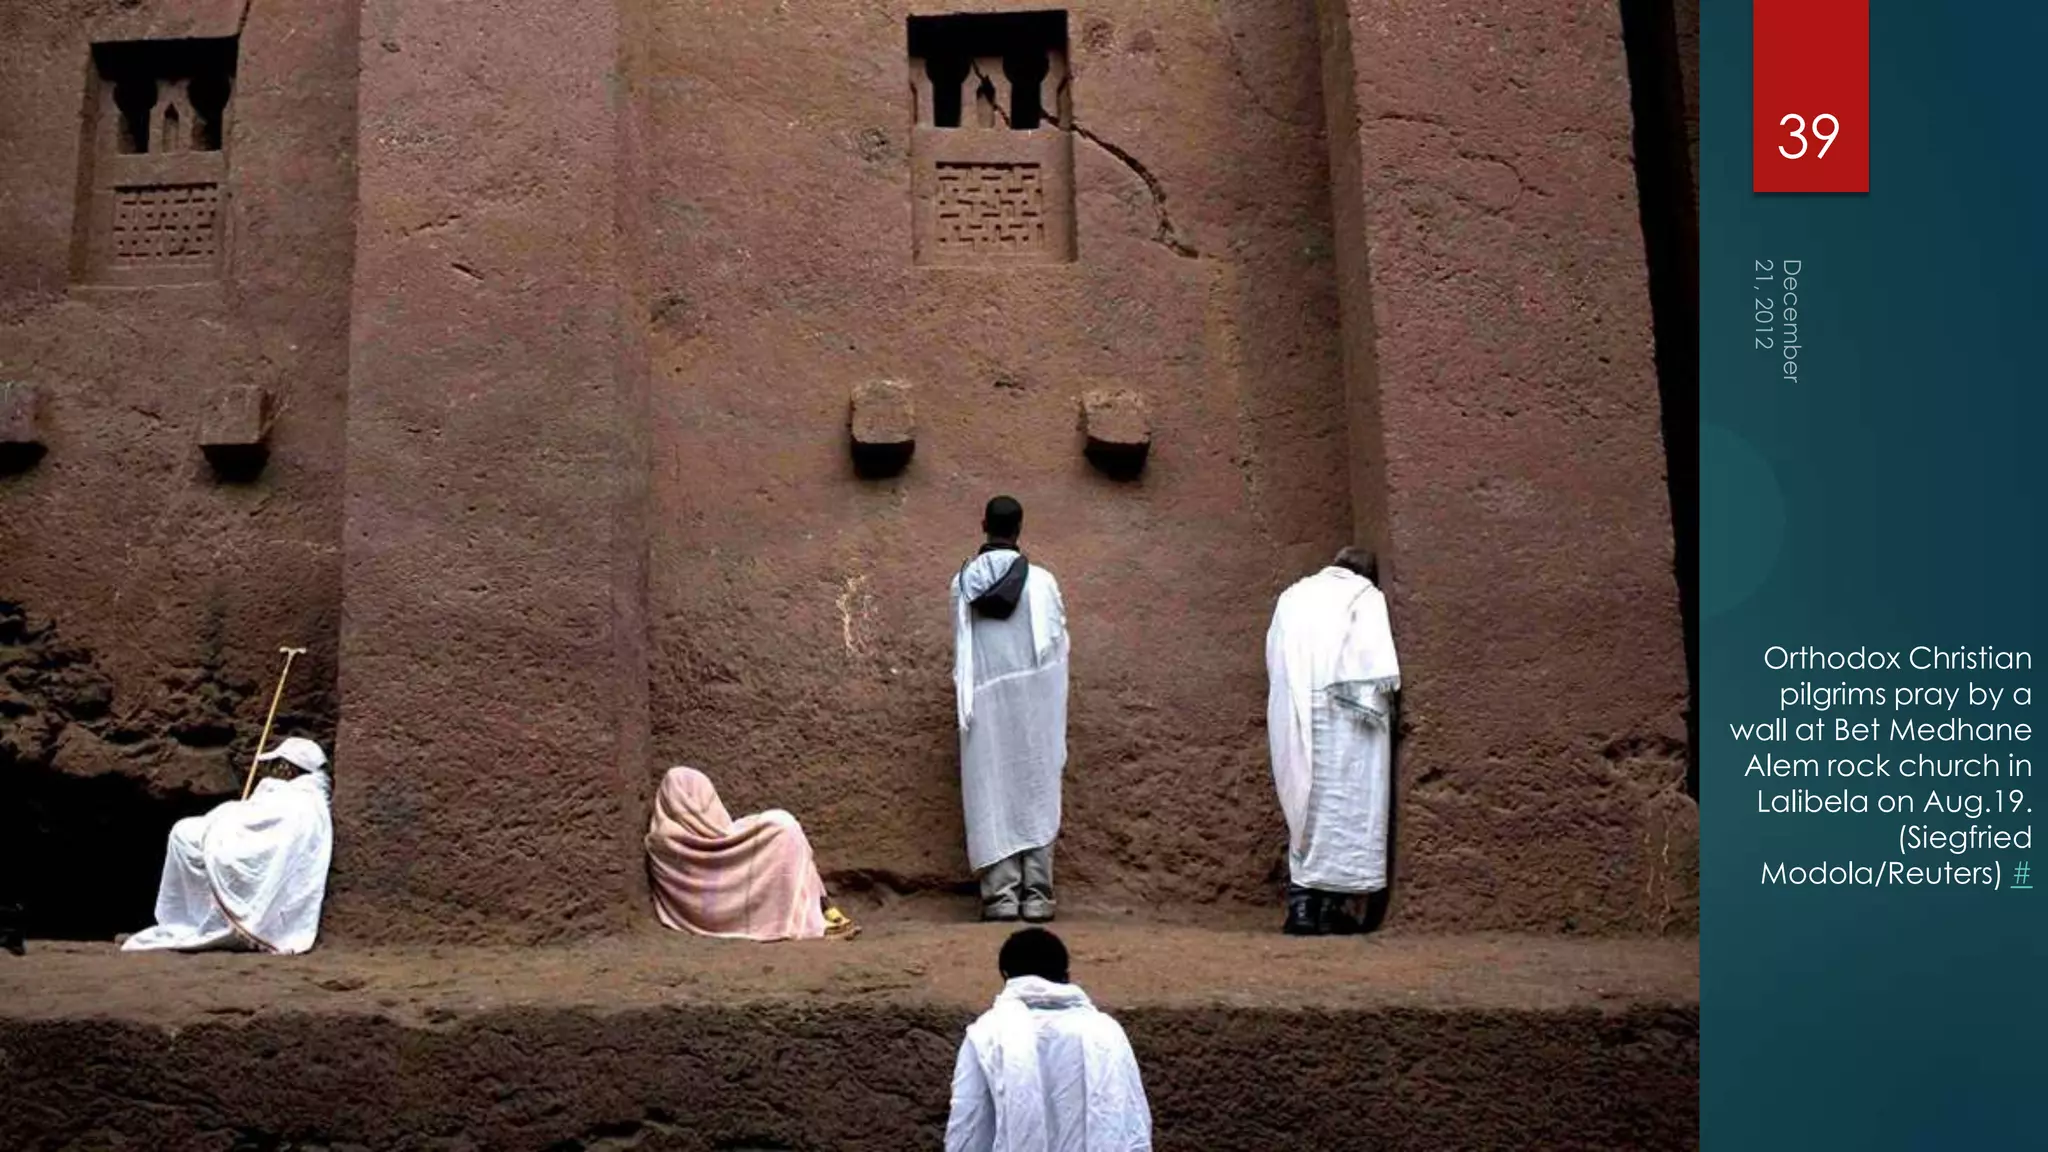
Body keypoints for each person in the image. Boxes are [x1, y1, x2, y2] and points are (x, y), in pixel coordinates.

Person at [1264, 546, 1402, 936]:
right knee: (1347, 806)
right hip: (1346, 717)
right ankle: (1330, 909)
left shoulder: (1291, 596)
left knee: (1305, 802)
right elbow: (1371, 663)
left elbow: (1275, 656)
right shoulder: (1365, 596)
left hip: (1295, 710)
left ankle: (1303, 907)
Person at [952, 495, 1070, 923]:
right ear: (1020, 527)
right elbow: (1057, 650)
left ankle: (1000, 896)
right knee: (1036, 788)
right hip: (1035, 705)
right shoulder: (1043, 583)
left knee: (991, 788)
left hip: (984, 705)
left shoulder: (963, 582)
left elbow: (963, 653)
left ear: (983, 523)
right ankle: (1037, 894)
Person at [123, 736, 335, 955]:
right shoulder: (304, 795)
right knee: (185, 831)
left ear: (289, 768)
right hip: (256, 843)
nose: (271, 770)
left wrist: (232, 815)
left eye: (276, 764)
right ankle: (198, 920)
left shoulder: (298, 797)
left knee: (184, 834)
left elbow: (262, 824)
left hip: (257, 850)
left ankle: (197, 923)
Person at [945, 927, 1152, 1152]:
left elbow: (967, 1128)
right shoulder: (1107, 1032)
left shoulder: (987, 1033)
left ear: (1005, 975)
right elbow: (1134, 1125)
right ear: (1065, 974)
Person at [645, 766, 858, 941]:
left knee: (784, 826)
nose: (700, 805)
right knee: (782, 829)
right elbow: (696, 875)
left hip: (724, 875)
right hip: (715, 906)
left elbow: (720, 831)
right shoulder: (665, 840)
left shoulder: (664, 837)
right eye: (695, 797)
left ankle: (819, 906)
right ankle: (810, 915)